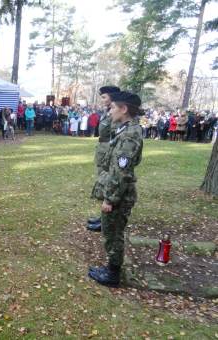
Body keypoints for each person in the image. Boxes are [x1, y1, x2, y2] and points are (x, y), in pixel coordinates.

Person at [89, 91, 143, 287]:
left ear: (124, 109)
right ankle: (111, 267)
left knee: (113, 234)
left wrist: (109, 199)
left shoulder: (129, 135)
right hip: (118, 191)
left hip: (119, 195)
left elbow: (122, 172)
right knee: (111, 231)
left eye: (113, 107)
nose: (110, 111)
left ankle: (113, 273)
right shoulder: (126, 129)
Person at [87, 86, 121, 232]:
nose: (102, 100)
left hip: (108, 151)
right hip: (103, 149)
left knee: (107, 183)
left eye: (104, 97)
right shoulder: (108, 112)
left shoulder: (115, 114)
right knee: (102, 183)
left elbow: (115, 135)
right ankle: (102, 217)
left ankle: (105, 221)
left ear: (112, 98)